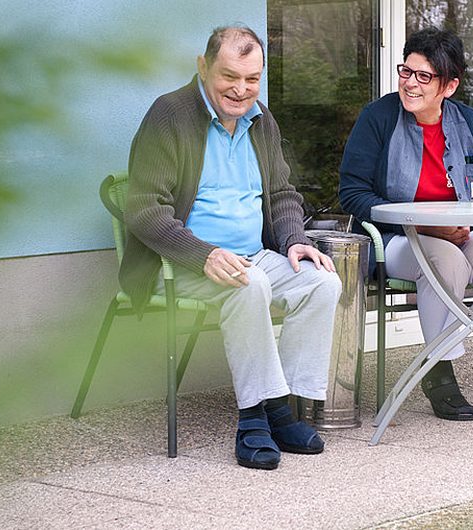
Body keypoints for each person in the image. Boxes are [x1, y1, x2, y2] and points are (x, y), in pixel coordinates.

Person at [120, 25, 342, 470]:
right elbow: (144, 210)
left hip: (250, 254)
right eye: (229, 76)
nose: (241, 90)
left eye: (252, 79)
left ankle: (285, 409)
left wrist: (295, 241)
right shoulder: (170, 114)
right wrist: (204, 254)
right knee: (250, 284)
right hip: (182, 259)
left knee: (321, 282)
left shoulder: (261, 119)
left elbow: (281, 194)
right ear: (203, 67)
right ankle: (254, 420)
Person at [339, 28, 473, 424]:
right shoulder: (378, 119)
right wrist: (429, 226)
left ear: (449, 86)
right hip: (395, 239)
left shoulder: (471, 124)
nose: (410, 83)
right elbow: (353, 194)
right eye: (406, 71)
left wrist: (464, 220)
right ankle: (439, 369)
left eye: (423, 76)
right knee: (444, 260)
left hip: (462, 232)